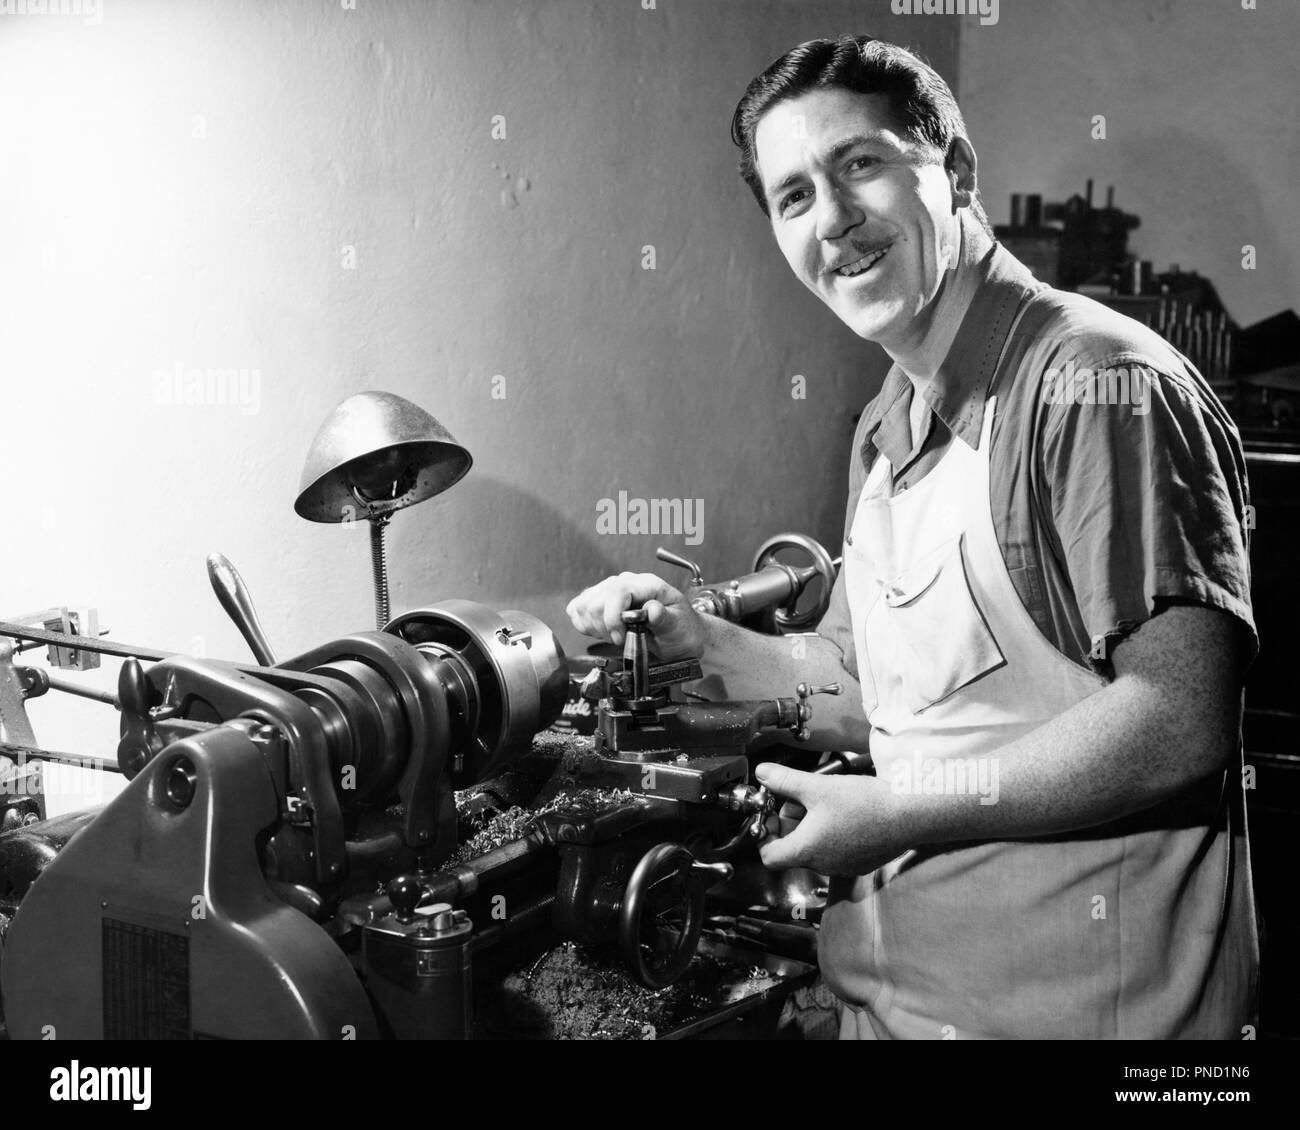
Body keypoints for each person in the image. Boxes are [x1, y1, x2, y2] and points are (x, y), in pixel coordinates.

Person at [566, 35, 1258, 1039]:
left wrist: (901, 812)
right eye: (793, 197)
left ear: (956, 172)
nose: (834, 221)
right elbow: (879, 697)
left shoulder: (1093, 387)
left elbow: (1177, 717)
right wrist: (703, 642)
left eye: (859, 164)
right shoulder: (890, 418)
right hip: (899, 1010)